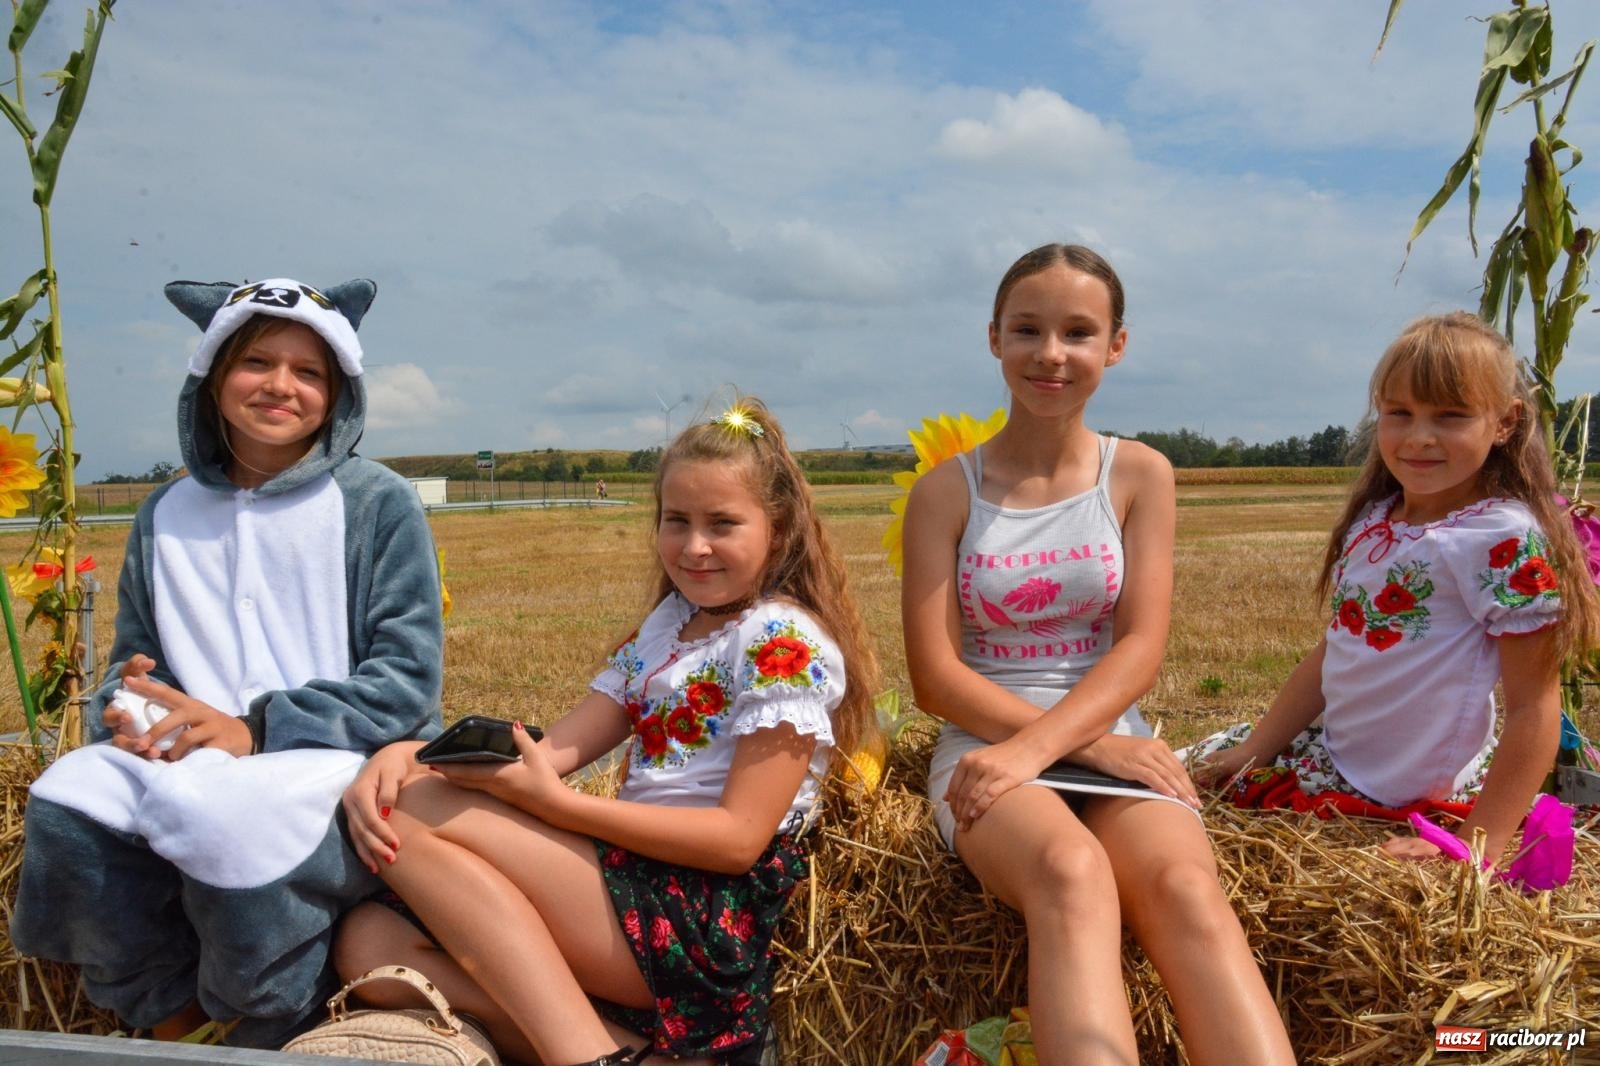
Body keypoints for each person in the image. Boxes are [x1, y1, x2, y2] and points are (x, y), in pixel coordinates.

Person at [334, 397, 877, 1066]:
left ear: (781, 527)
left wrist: (561, 807)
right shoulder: (667, 629)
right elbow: (552, 751)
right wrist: (411, 751)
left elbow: (738, 841)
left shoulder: (780, 641)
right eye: (676, 521)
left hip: (704, 917)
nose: (694, 546)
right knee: (368, 942)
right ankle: (633, 1052)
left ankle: (583, 1053)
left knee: (411, 810)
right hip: (634, 891)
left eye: (723, 524)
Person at [10, 278, 446, 1048]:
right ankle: (171, 1017)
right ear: (211, 379)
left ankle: (270, 1012)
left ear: (339, 393)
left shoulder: (377, 503)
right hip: (197, 750)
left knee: (226, 823)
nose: (281, 385)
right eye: (257, 363)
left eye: (309, 373)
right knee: (67, 798)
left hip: (335, 758)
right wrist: (129, 705)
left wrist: (256, 729)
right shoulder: (164, 513)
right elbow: (133, 660)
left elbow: (406, 683)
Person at [900, 244, 1294, 1066]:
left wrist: (1075, 741)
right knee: (1071, 876)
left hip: (1108, 737)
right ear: (994, 339)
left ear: (1115, 345)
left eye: (1079, 332)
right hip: (985, 743)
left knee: (1187, 892)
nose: (1052, 353)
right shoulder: (945, 490)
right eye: (1028, 330)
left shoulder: (1140, 475)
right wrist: (1068, 744)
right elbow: (937, 680)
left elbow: (1141, 646)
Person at [1191, 312, 1600, 867]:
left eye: (1450, 416)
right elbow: (1335, 650)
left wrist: (1476, 843)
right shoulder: (1378, 517)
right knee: (1166, 780)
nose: (1419, 437)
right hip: (1335, 760)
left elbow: (1534, 707)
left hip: (1405, 789)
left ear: (1505, 423)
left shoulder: (1502, 537)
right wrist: (1254, 749)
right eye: (1399, 413)